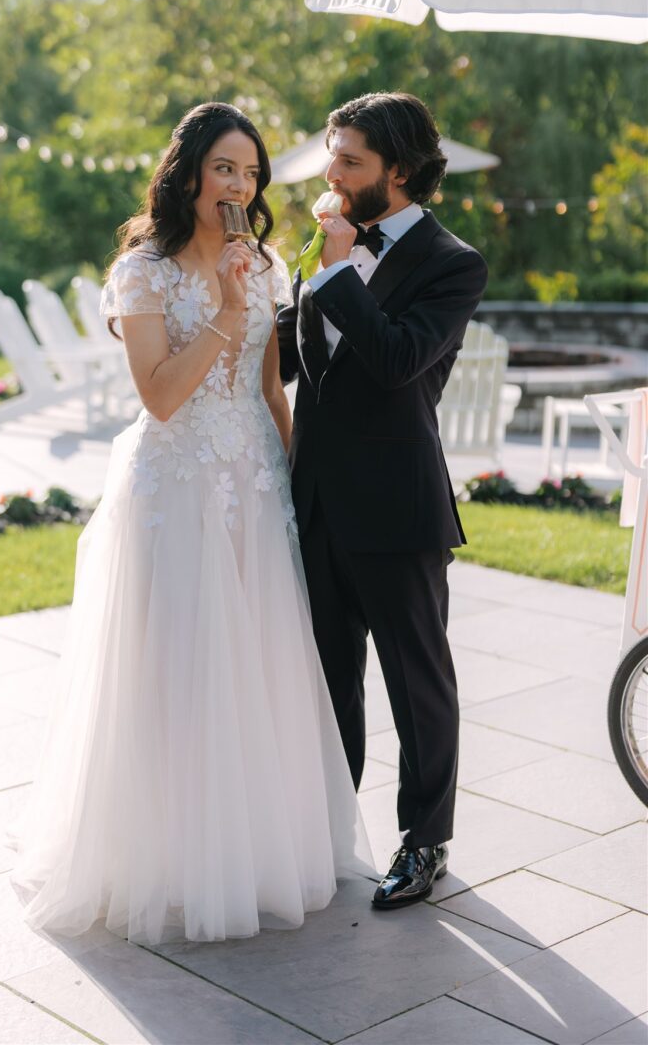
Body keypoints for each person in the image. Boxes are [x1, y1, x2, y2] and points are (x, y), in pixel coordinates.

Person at [8, 102, 375, 946]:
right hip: (174, 489)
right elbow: (162, 397)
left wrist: (298, 483)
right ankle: (169, 858)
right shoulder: (145, 273)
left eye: (250, 173)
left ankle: (254, 847)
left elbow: (271, 389)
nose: (238, 187)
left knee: (258, 665)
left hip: (254, 483)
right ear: (189, 174)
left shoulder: (272, 265)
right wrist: (222, 305)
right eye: (224, 170)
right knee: (177, 667)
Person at [276, 91, 488, 910]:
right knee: (331, 680)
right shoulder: (321, 246)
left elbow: (399, 361)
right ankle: (331, 830)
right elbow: (293, 360)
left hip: (398, 509)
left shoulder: (451, 263)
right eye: (332, 155)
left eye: (349, 160)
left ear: (398, 171)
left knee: (416, 682)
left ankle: (424, 841)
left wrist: (334, 273)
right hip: (317, 499)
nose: (330, 173)